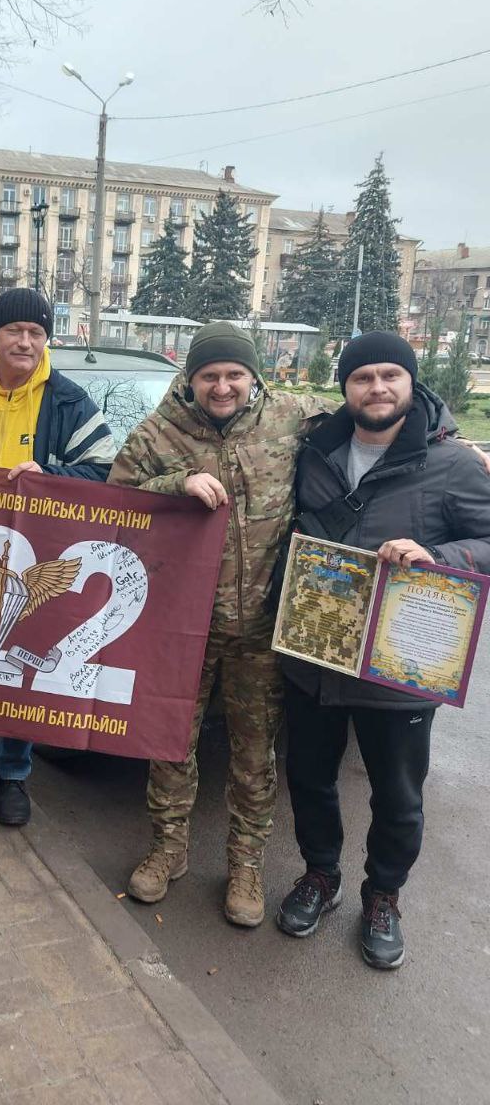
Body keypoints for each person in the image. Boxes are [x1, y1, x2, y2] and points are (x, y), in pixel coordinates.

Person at [275, 332, 490, 968]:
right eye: (362, 377)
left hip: (401, 665)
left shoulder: (452, 465)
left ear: (410, 383)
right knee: (308, 777)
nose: (377, 388)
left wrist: (441, 555)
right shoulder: (313, 451)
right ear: (344, 386)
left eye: (390, 375)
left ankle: (384, 896)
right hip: (314, 654)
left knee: (397, 796)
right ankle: (321, 875)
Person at [109, 321, 328, 926]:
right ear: (191, 378)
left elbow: (374, 411)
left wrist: (450, 443)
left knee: (254, 755)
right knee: (169, 742)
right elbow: (114, 501)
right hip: (184, 627)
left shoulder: (289, 416)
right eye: (210, 375)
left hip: (261, 628)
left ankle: (245, 864)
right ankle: (168, 848)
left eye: (235, 374)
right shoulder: (159, 431)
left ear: (253, 377)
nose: (223, 386)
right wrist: (174, 483)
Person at [0, 288, 116, 826]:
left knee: (16, 668)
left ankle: (13, 776)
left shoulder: (70, 401)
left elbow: (105, 470)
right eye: (14, 330)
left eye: (36, 332)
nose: (26, 342)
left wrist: (50, 477)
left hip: (36, 558)